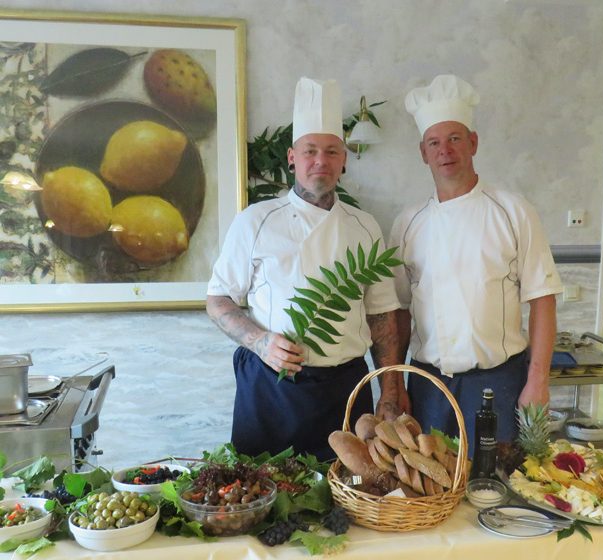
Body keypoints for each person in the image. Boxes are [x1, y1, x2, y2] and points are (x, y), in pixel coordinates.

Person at [206, 77, 406, 461]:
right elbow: (218, 301)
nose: (321, 161)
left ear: (344, 160)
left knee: (350, 499)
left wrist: (391, 392)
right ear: (291, 157)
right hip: (271, 388)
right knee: (262, 495)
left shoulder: (365, 227)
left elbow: (383, 317)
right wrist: (260, 341)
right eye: (310, 150)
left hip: (346, 386)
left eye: (332, 151)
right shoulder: (256, 221)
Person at [390, 74, 563, 452]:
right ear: (423, 153)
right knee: (430, 490)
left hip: (497, 383)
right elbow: (400, 310)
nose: (444, 151)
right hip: (428, 384)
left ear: (473, 143)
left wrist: (538, 381)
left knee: (494, 486)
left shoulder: (513, 211)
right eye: (434, 142)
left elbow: (543, 298)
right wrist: (397, 383)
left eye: (454, 139)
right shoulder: (408, 224)